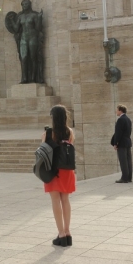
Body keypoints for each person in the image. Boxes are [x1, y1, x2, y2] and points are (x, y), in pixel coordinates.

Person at [43, 105, 76, 247]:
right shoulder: (70, 132)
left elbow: (44, 151)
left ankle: (61, 233)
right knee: (65, 200)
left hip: (54, 171)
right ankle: (68, 232)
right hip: (67, 170)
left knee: (55, 200)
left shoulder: (49, 133)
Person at [110, 105, 132, 183]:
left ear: (120, 111)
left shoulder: (120, 120)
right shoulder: (128, 119)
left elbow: (118, 133)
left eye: (117, 110)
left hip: (122, 143)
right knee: (128, 160)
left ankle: (124, 178)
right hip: (128, 142)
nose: (116, 111)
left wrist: (115, 143)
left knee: (123, 161)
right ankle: (129, 177)